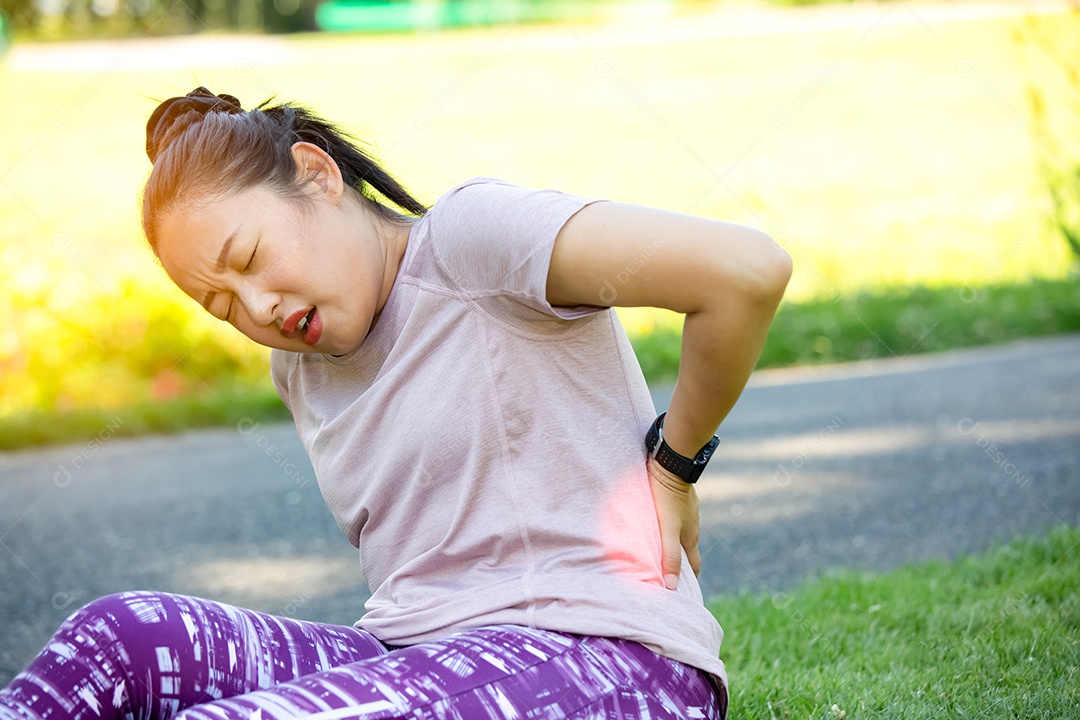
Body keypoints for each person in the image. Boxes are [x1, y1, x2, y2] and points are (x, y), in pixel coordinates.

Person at [0, 87, 791, 719]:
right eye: (221, 305)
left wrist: (674, 467)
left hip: (607, 660)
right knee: (119, 637)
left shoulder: (470, 240)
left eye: (248, 258)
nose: (258, 309)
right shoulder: (299, 367)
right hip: (412, 657)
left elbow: (743, 272)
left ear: (317, 174)